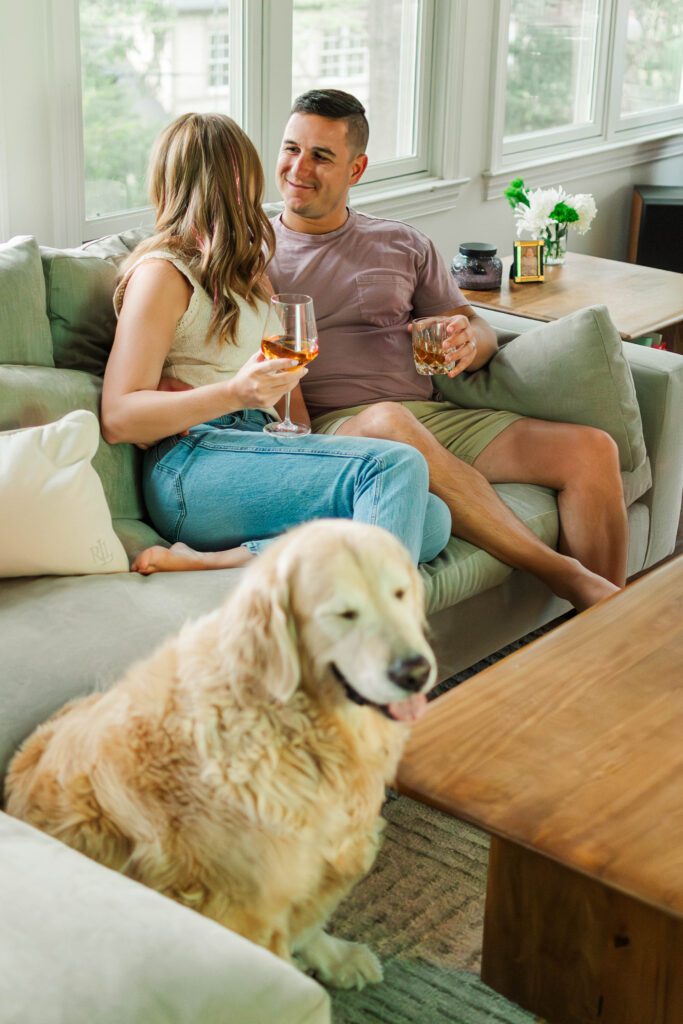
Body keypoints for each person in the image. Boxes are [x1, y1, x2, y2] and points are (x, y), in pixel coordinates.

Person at [264, 88, 627, 611]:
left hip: (431, 415)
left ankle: (608, 634)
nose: (299, 167)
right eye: (291, 148)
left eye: (321, 155)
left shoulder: (402, 243)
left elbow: (476, 328)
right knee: (391, 422)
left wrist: (467, 343)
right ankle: (565, 575)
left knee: (593, 451)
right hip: (340, 430)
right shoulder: (253, 249)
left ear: (356, 168)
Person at [101, 112, 451, 572]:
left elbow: (289, 397)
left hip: (258, 447)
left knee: (431, 518)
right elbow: (119, 418)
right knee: (394, 467)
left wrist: (308, 451)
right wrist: (230, 393)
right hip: (194, 464)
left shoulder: (249, 276)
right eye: (240, 176)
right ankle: (377, 639)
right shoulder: (162, 275)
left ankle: (233, 559)